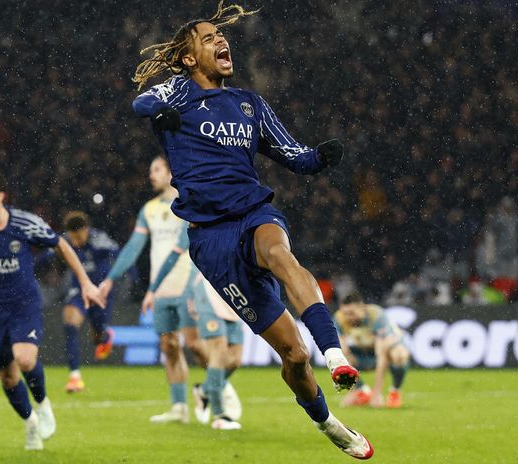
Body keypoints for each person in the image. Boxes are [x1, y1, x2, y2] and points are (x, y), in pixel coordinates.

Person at [130, 3, 372, 458]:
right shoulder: (178, 92)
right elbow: (141, 102)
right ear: (188, 57)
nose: (222, 41)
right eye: (208, 38)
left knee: (282, 256)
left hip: (251, 213)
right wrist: (162, 112)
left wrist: (320, 157)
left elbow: (294, 156)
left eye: (222, 37)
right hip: (210, 239)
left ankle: (336, 355)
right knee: (294, 357)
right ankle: (329, 424)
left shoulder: (250, 104)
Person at [0, 168, 105, 450]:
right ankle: (30, 424)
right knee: (8, 376)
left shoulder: (24, 222)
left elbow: (60, 243)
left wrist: (85, 282)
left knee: (25, 359)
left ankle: (43, 404)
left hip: (24, 301)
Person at [99, 156, 205, 424]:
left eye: (156, 170)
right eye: (150, 170)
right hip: (161, 288)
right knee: (169, 345)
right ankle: (179, 406)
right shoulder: (148, 210)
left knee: (194, 344)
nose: (151, 175)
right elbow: (134, 247)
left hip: (187, 282)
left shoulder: (188, 202)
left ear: (171, 172)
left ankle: (217, 389)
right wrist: (111, 278)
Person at [144, 226, 244, 429]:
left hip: (233, 288)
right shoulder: (198, 217)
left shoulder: (243, 218)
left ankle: (205, 390)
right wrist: (153, 289)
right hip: (207, 288)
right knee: (217, 348)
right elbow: (175, 254)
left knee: (234, 359)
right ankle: (219, 415)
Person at [57, 211, 119, 393]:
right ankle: (74, 377)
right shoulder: (65, 241)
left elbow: (122, 256)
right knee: (70, 323)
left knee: (97, 336)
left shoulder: (100, 240)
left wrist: (135, 282)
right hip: (79, 291)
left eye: (78, 237)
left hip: (100, 292)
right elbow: (47, 254)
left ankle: (105, 336)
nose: (75, 242)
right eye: (72, 238)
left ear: (86, 230)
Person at [334, 293, 410, 409]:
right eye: (345, 313)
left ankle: (394, 392)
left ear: (362, 308)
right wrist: (351, 388)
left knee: (399, 355)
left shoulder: (376, 316)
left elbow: (381, 356)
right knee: (335, 356)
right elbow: (341, 348)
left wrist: (377, 394)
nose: (348, 317)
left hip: (384, 351)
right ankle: (361, 390)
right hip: (363, 351)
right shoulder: (339, 317)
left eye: (352, 313)